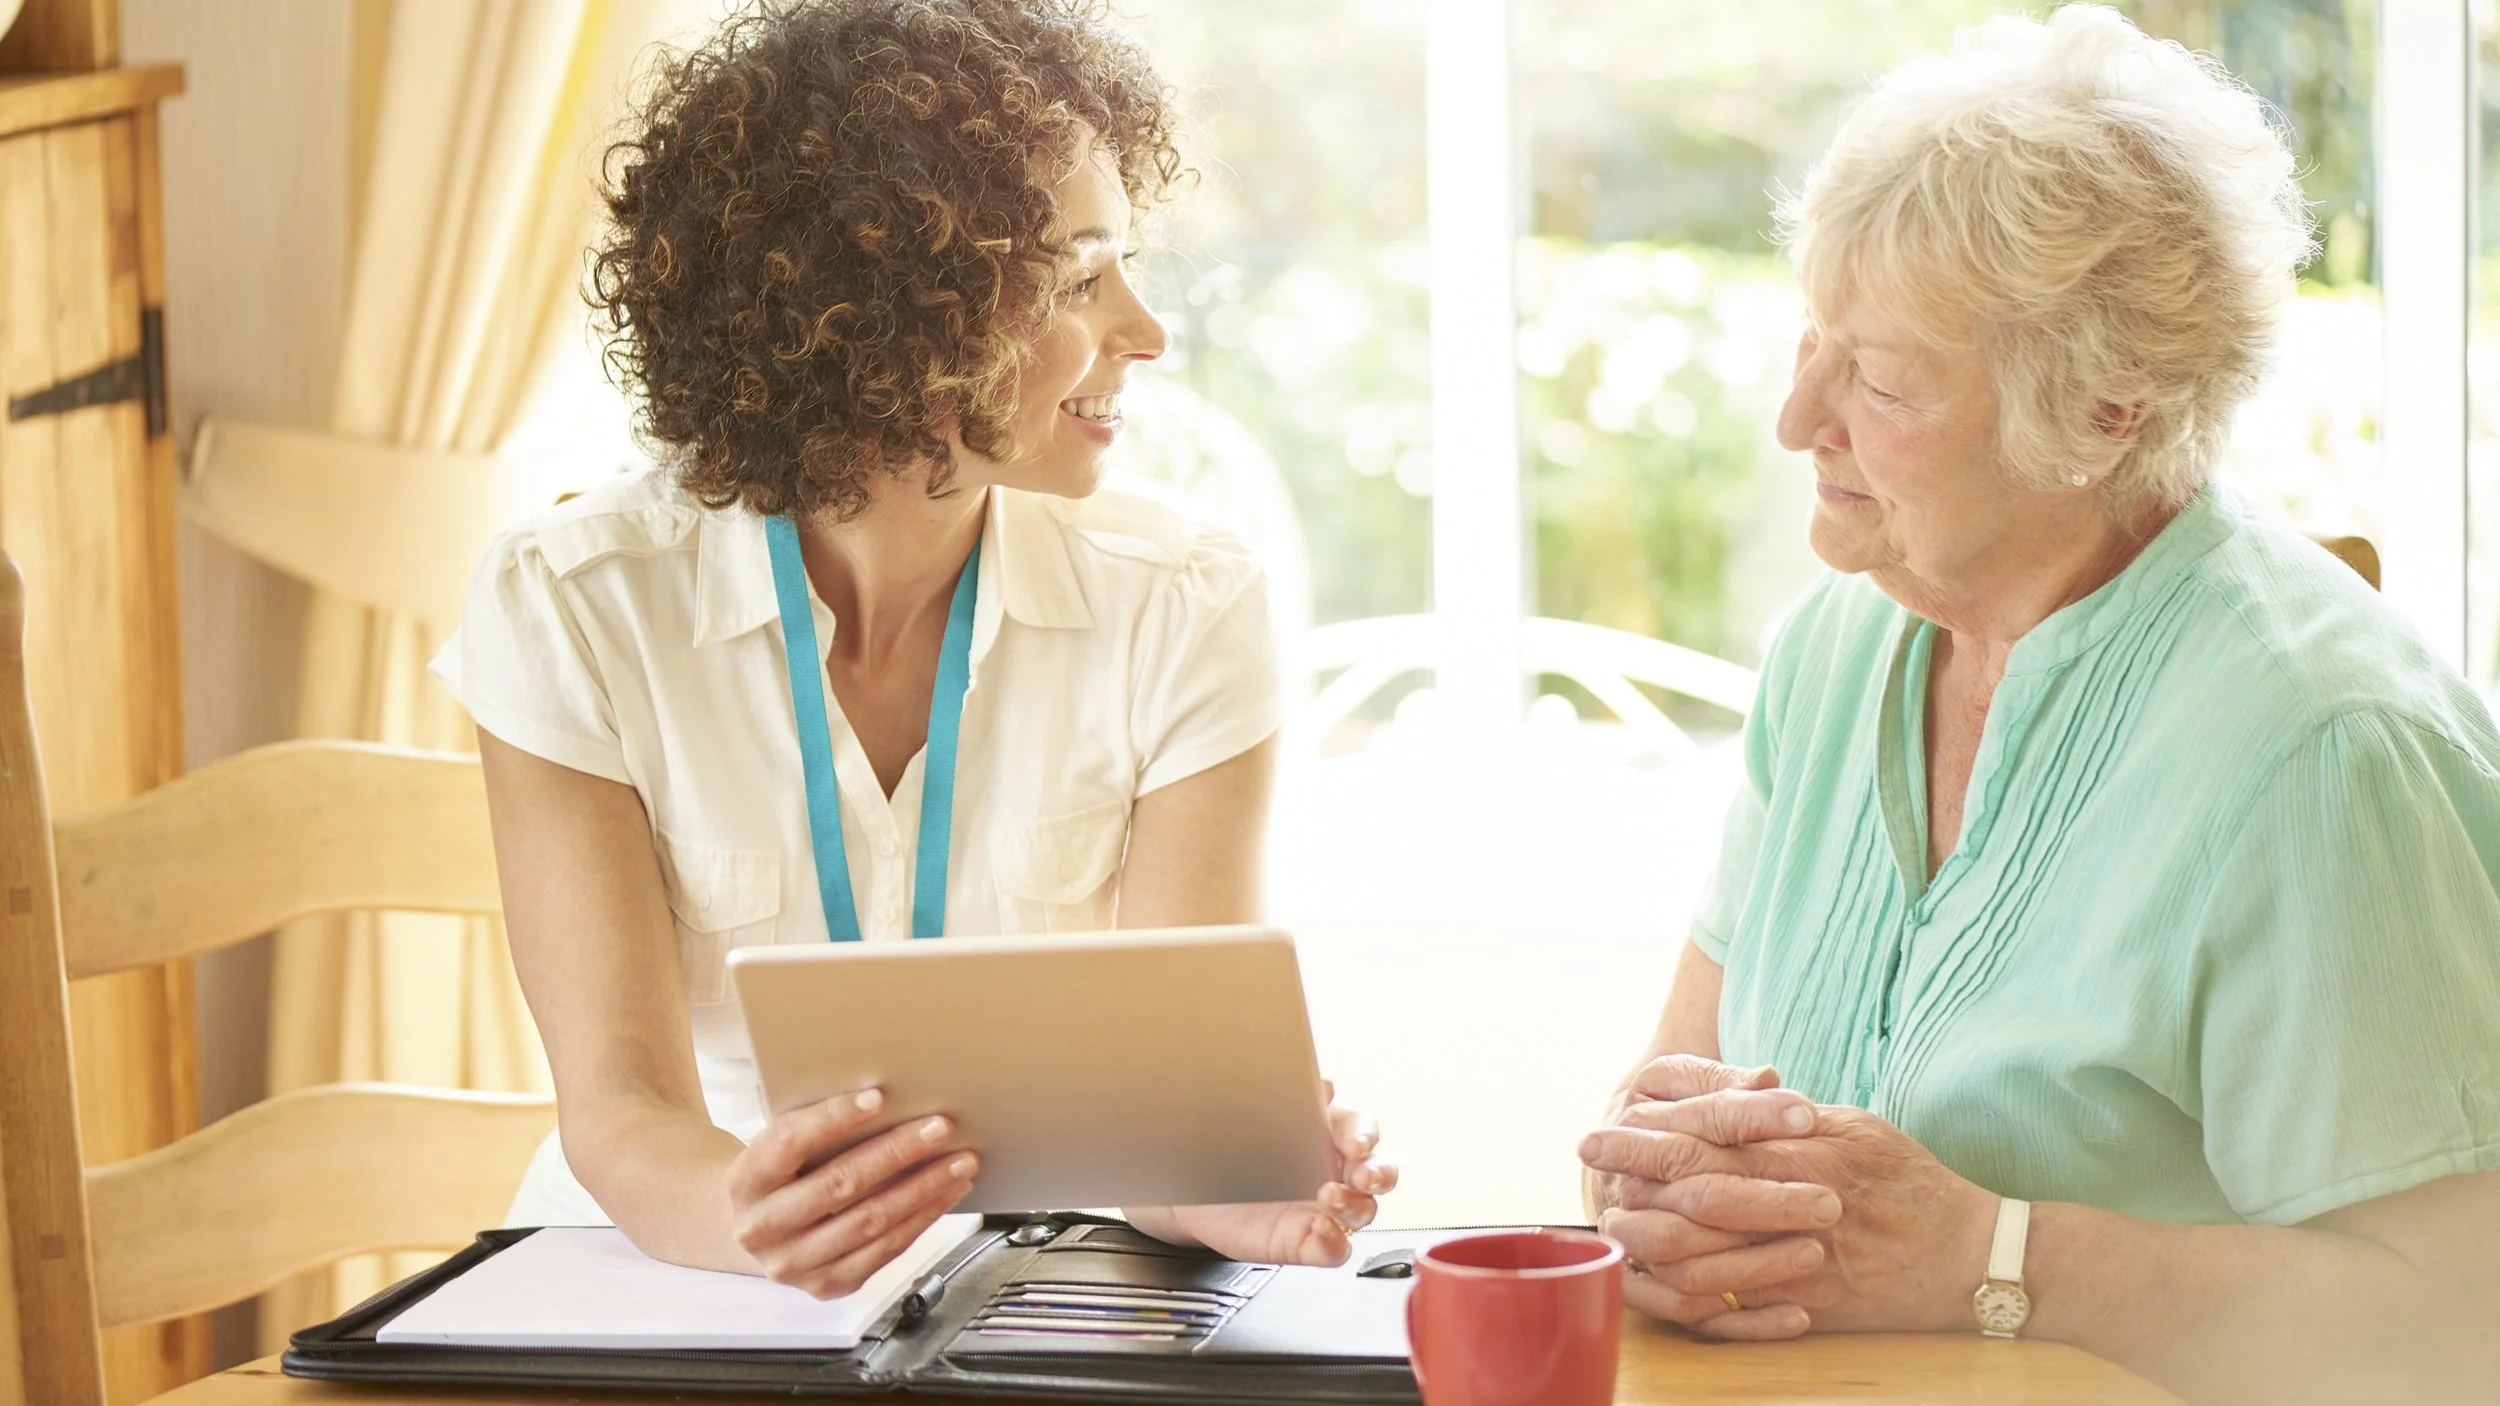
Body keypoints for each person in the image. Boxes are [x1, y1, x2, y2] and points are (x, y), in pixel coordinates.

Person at [1576, 8, 2500, 1402]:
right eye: (1814, 341)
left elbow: (2457, 1328)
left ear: (2108, 410)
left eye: (1881, 377)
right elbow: (1671, 1079)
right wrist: (1646, 1183)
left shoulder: (2324, 747)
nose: (1798, 418)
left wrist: (1990, 1258)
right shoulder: (1836, 647)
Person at [432, 0, 1392, 1298]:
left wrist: (1226, 1181)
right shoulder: (575, 604)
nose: (1149, 333)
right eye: (1079, 278)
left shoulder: (1188, 607)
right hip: (663, 1275)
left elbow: (1165, 1112)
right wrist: (752, 1211)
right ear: (890, 310)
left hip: (1025, 1290)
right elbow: (623, 1107)